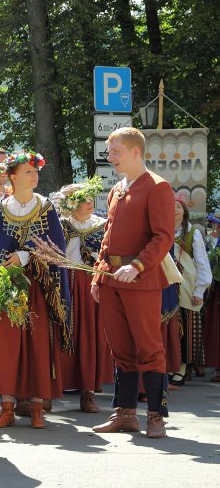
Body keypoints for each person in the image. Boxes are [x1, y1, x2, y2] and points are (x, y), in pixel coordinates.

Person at [91, 127, 175, 439]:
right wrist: (99, 276)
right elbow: (108, 238)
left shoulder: (157, 187)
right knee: (121, 349)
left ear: (135, 152)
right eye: (109, 151)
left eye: (115, 151)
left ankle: (156, 415)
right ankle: (125, 414)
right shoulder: (117, 189)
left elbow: (163, 237)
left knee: (149, 348)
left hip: (141, 280)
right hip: (113, 280)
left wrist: (138, 265)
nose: (109, 157)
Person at [0, 150, 70, 430]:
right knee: (7, 346)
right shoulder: (2, 209)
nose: (35, 176)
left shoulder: (46, 207)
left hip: (38, 289)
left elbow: (55, 249)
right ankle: (7, 406)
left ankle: (37, 407)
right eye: (28, 172)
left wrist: (26, 257)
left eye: (36, 171)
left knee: (38, 344)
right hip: (9, 288)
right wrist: (5, 263)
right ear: (12, 176)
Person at [51, 178, 113, 412]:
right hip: (66, 282)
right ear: (70, 204)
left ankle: (88, 392)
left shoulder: (102, 224)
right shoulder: (61, 225)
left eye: (90, 199)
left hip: (91, 285)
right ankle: (51, 390)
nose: (89, 203)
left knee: (90, 335)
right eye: (82, 200)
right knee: (63, 332)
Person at [169, 193, 211, 384]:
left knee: (186, 327)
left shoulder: (193, 232)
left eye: (178, 207)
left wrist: (199, 291)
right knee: (169, 326)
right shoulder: (163, 231)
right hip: (168, 284)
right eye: (171, 207)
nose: (174, 210)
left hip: (187, 285)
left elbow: (202, 263)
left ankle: (182, 368)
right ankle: (170, 365)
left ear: (184, 212)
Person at [203, 212, 220, 381]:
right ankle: (217, 367)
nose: (215, 229)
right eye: (215, 226)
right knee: (215, 328)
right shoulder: (212, 244)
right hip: (216, 289)